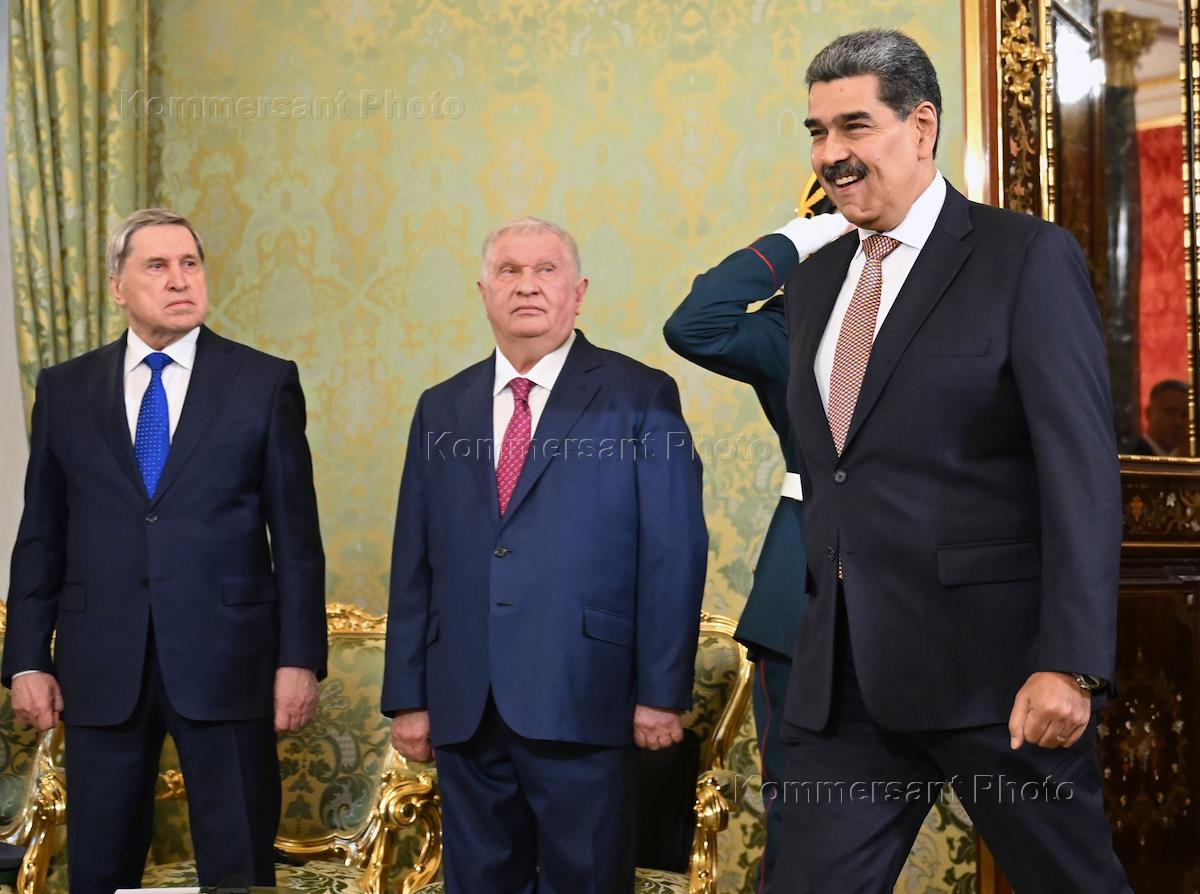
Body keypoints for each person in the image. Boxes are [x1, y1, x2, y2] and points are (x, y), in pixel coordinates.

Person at [774, 30, 1132, 892]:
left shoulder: (1024, 257)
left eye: (854, 127)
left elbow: (1081, 475)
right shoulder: (814, 284)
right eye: (818, 132)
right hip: (845, 684)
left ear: (923, 126)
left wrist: (1070, 660)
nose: (831, 154)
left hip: (998, 678)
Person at [2, 209, 327, 892]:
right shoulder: (65, 389)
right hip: (101, 662)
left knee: (237, 869)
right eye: (157, 266)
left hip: (229, 660)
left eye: (190, 264)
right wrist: (27, 657)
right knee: (100, 867)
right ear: (117, 286)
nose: (180, 280)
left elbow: (297, 540)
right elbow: (41, 535)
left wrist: (299, 659)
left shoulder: (263, 382)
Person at [382, 218, 707, 894]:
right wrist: (407, 697)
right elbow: (414, 558)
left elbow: (674, 553)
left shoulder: (640, 395)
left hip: (586, 695)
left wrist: (661, 692)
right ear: (483, 292)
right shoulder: (441, 407)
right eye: (509, 270)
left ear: (578, 292)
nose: (526, 285)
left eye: (546, 270)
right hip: (466, 704)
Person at [663, 207, 846, 891]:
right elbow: (694, 325)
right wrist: (802, 235)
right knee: (801, 817)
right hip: (801, 588)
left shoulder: (938, 308)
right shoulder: (791, 327)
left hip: (922, 590)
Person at [1128, 378, 1188, 455]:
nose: (1178, 422)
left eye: (1185, 415)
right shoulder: (1130, 458)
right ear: (1149, 413)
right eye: (1169, 412)